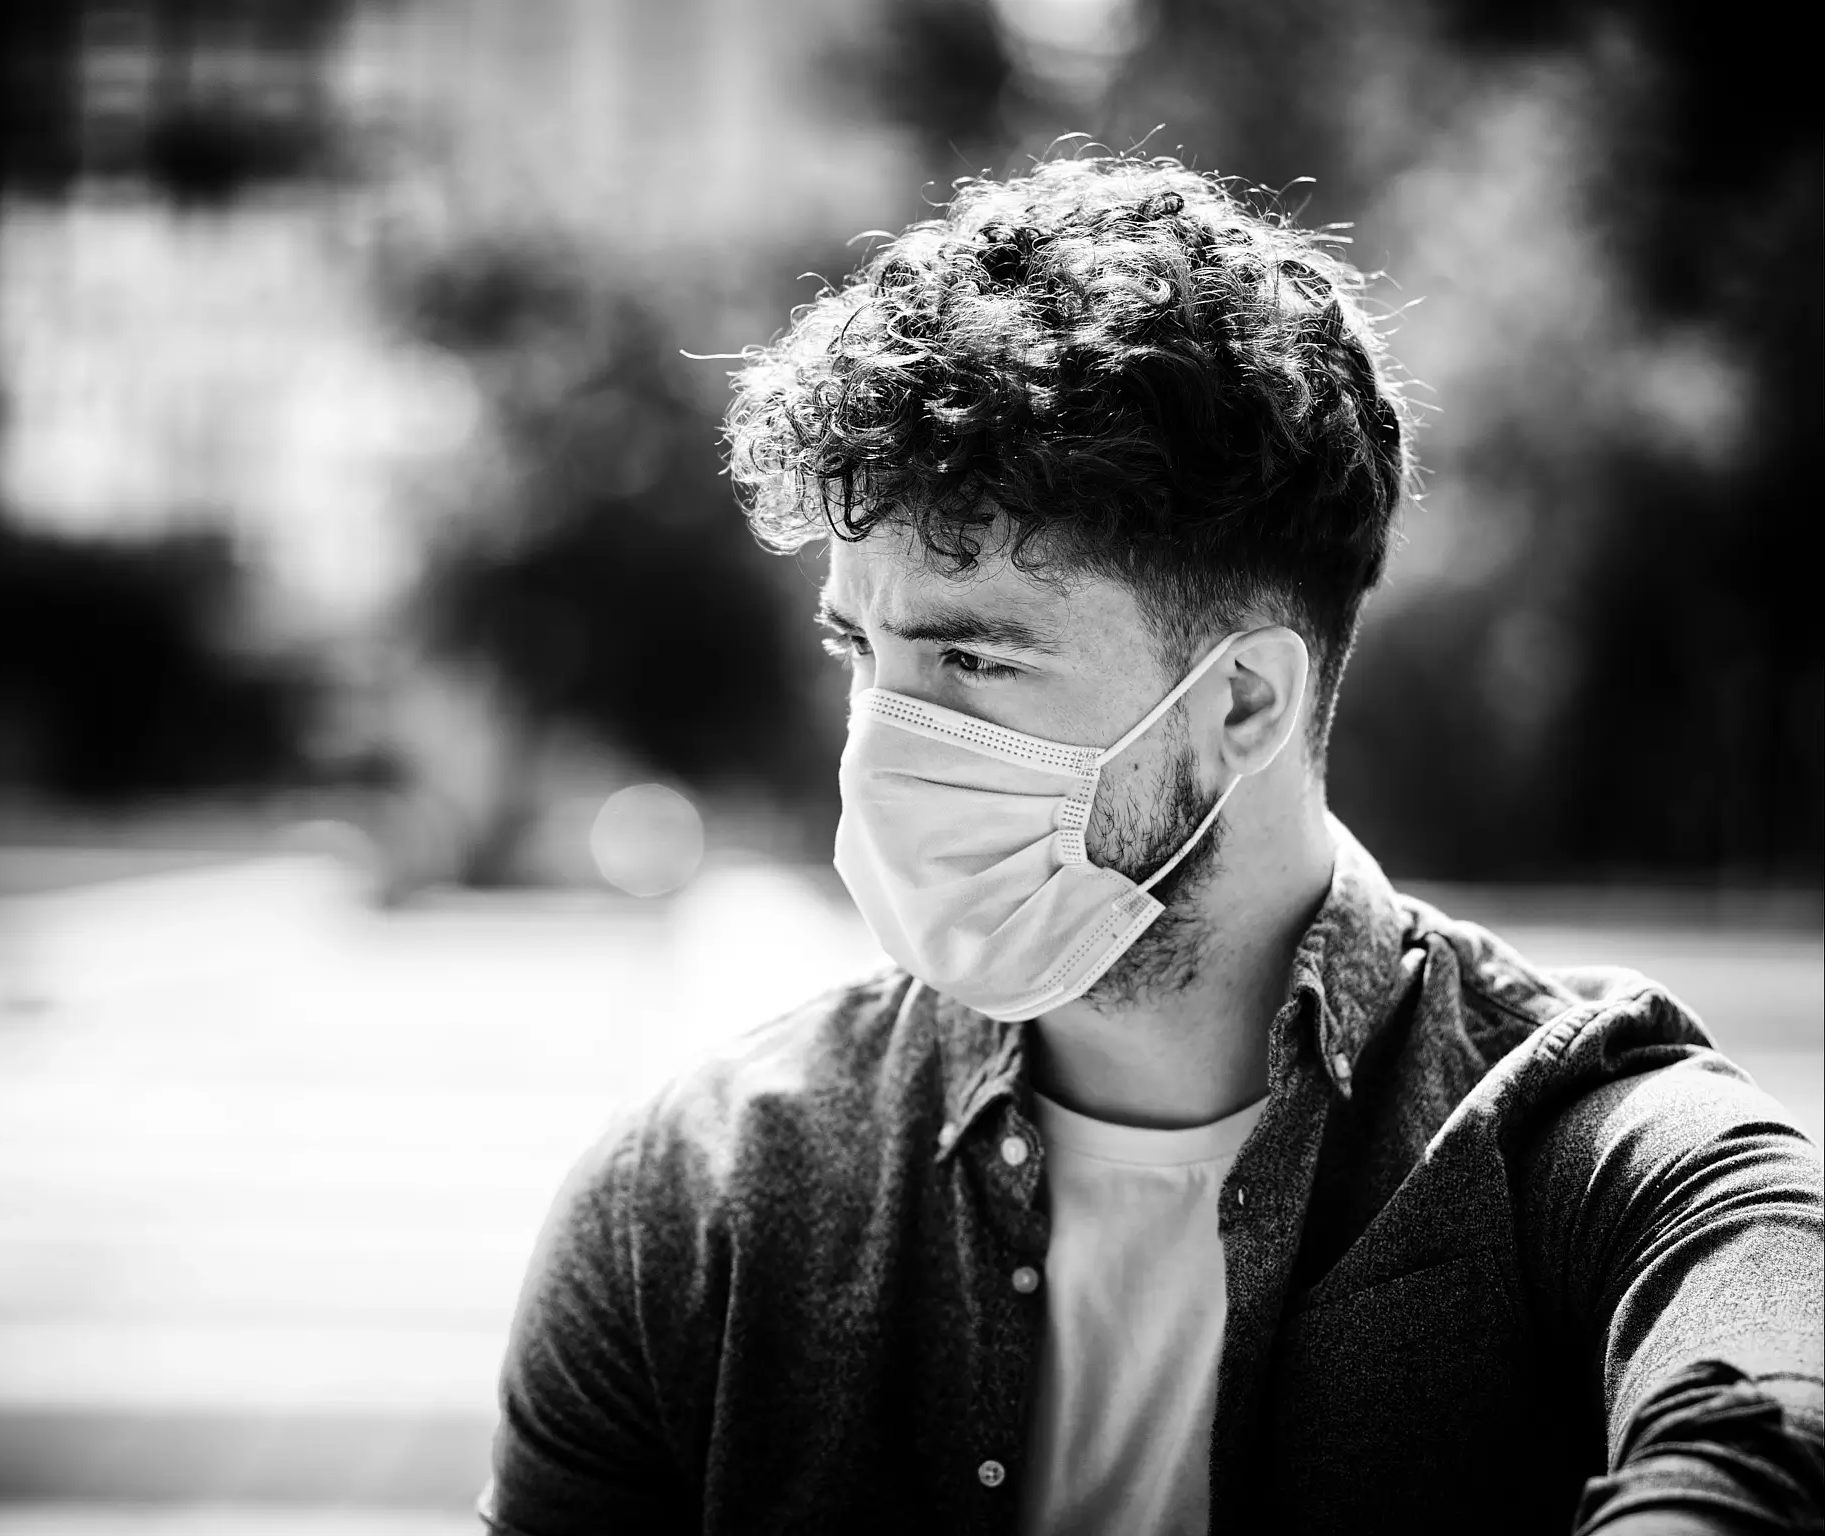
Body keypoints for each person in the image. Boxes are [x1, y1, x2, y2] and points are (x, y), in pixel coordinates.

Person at [477, 154, 1824, 1535]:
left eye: (971, 660)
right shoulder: (696, 1210)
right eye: (859, 651)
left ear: (1244, 701)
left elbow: (1773, 1422)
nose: (884, 741)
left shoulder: (1593, 1170)